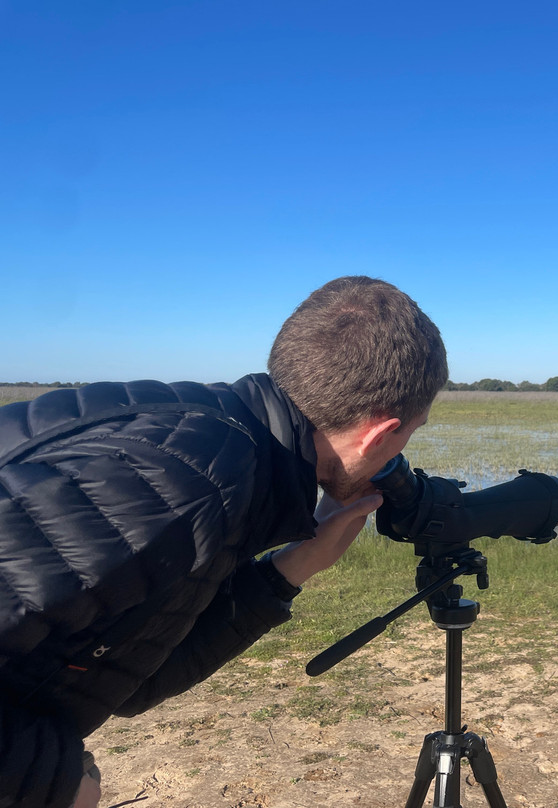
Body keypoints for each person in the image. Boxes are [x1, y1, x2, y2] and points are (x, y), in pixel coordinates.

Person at [0, 276, 448, 808]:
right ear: (381, 433)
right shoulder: (190, 482)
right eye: (410, 433)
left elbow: (134, 675)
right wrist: (47, 778)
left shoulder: (208, 438)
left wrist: (295, 566)